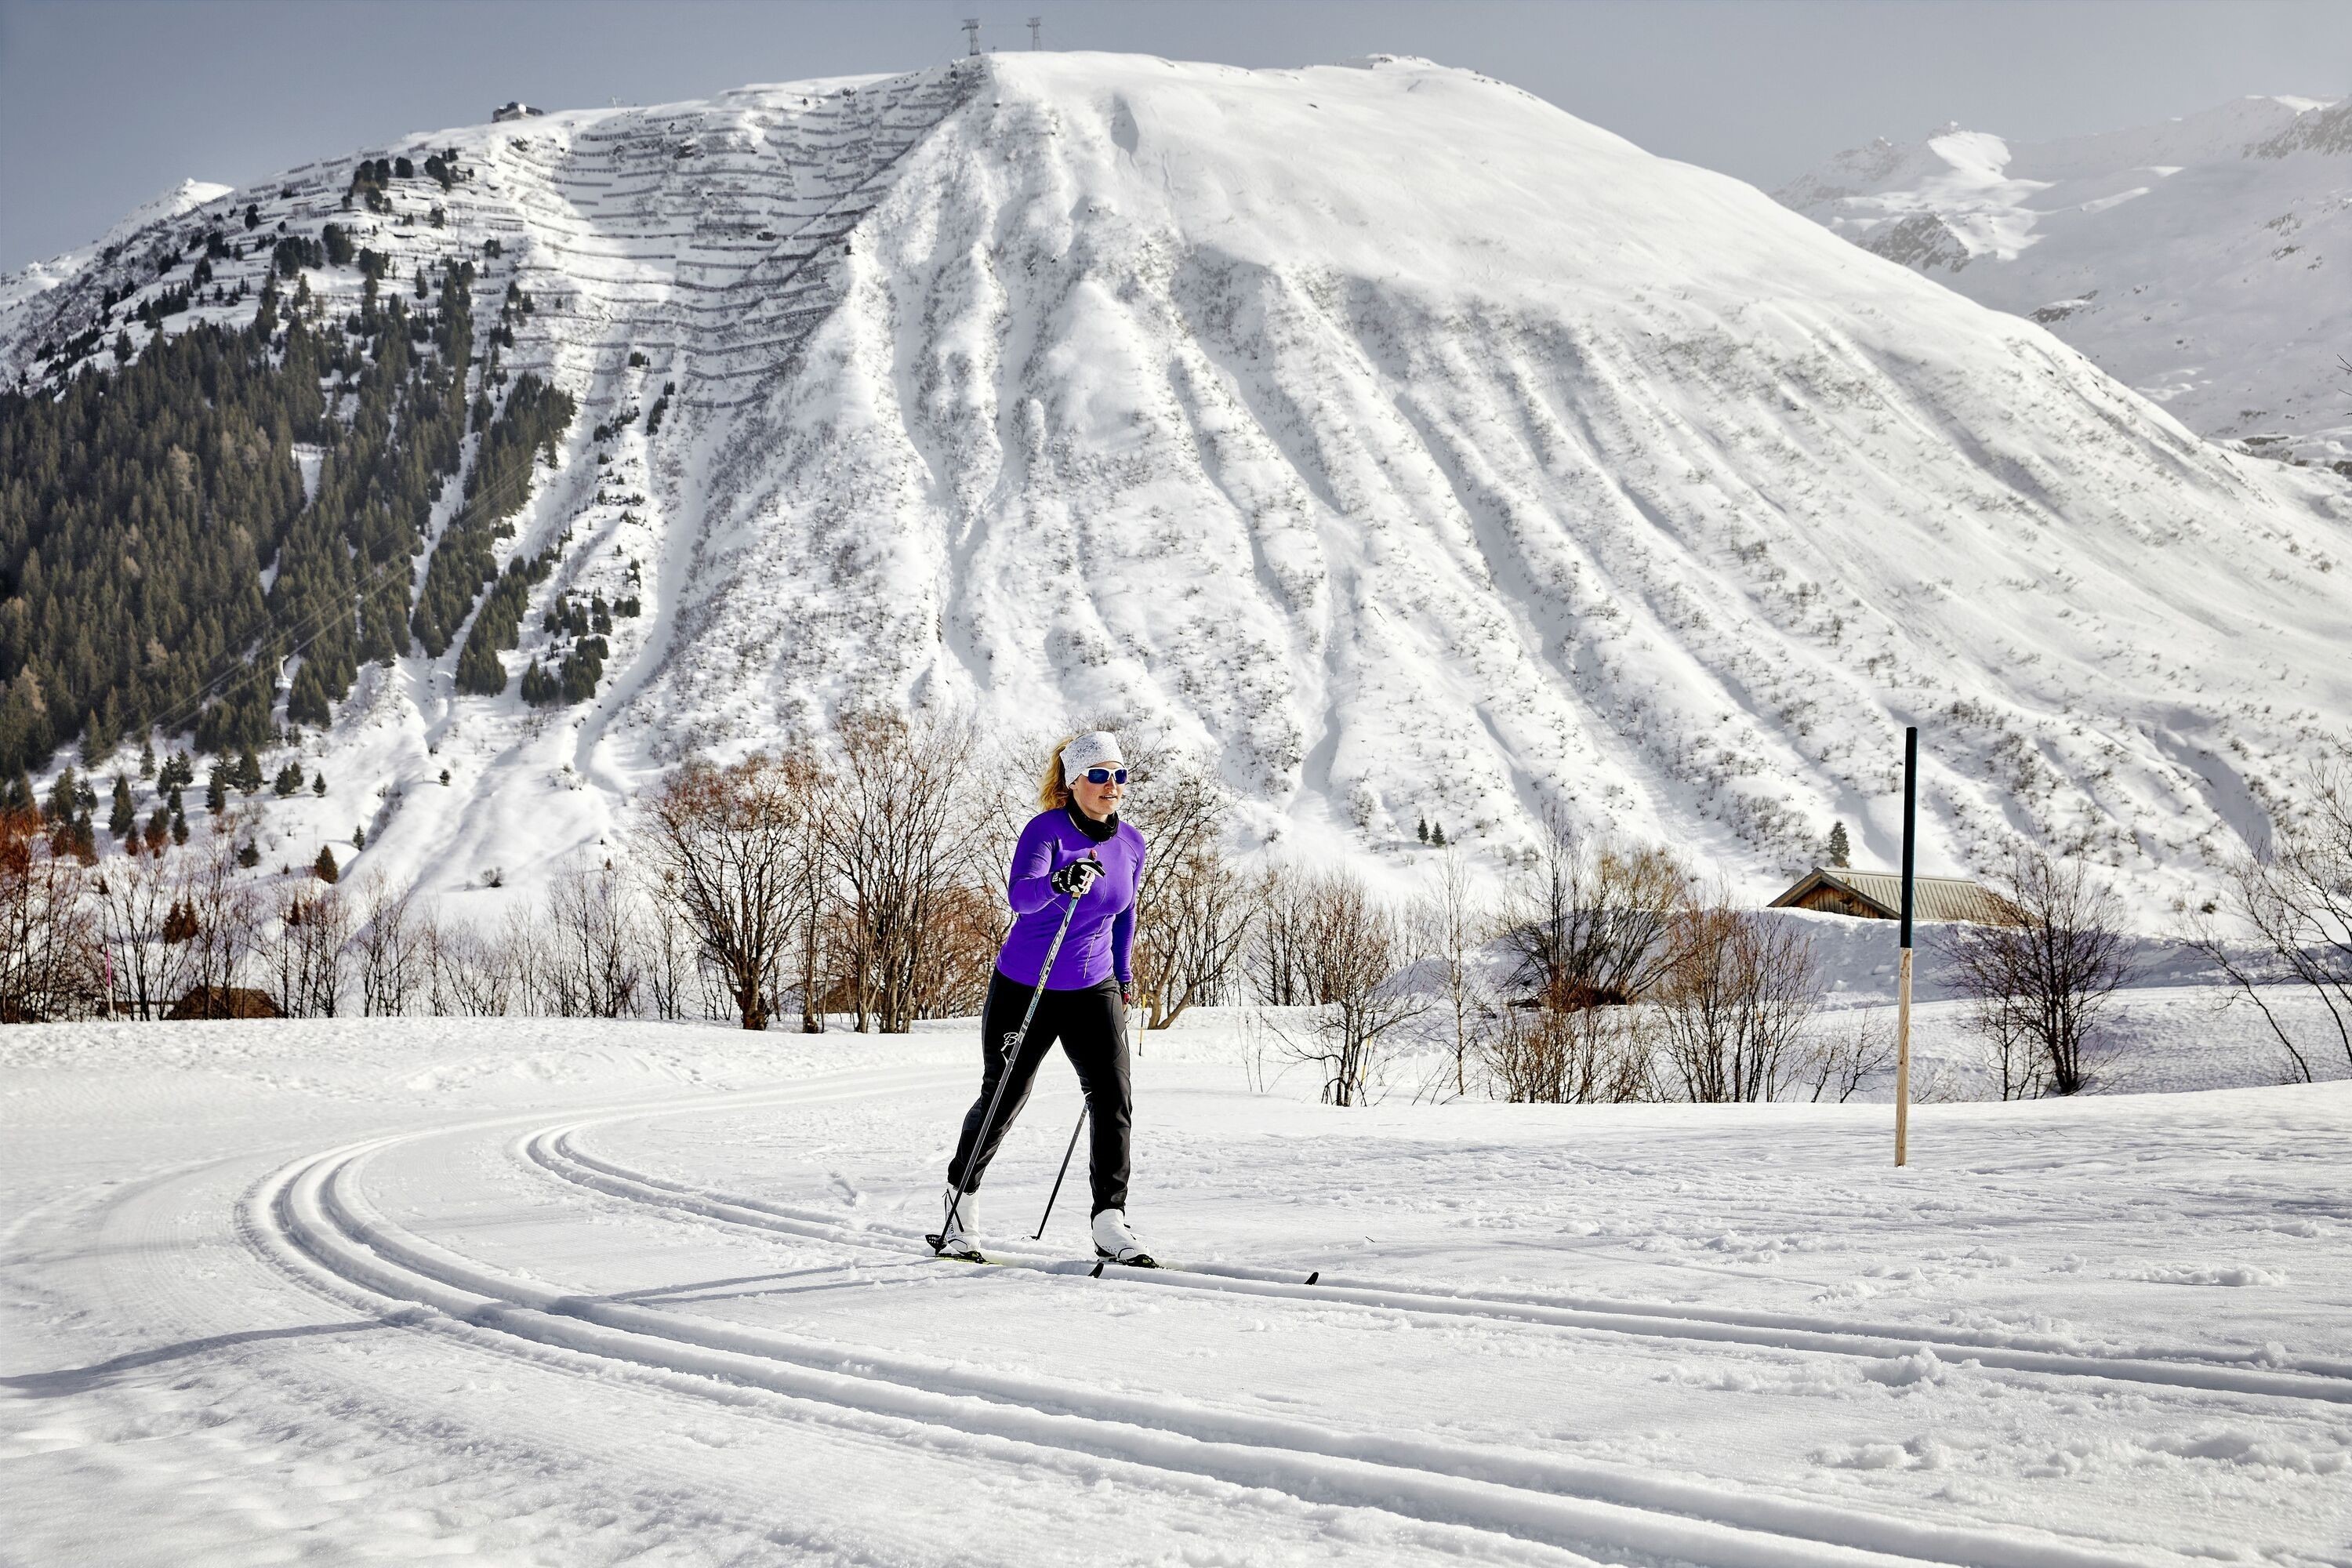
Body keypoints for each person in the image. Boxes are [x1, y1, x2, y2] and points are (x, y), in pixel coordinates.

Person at [936, 730, 1152, 1265]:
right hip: (1026, 986)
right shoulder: (1046, 831)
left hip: (1094, 986)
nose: (1111, 785)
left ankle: (1110, 1220)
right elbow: (1021, 897)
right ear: (1074, 781)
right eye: (1098, 775)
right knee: (1005, 1096)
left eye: (1119, 775)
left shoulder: (1130, 843)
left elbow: (1124, 914)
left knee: (1113, 1098)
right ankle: (960, 1205)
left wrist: (1124, 976)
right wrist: (1061, 879)